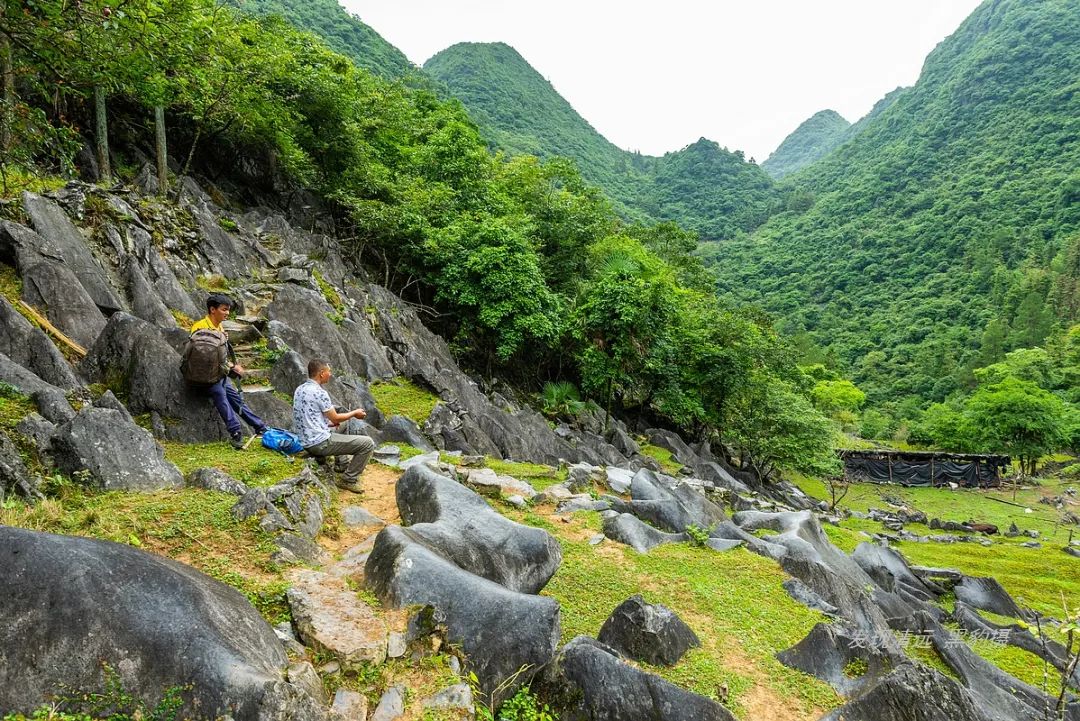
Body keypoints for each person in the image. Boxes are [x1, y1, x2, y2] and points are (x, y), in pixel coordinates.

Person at [190, 293, 267, 449]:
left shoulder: (218, 326)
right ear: (213, 309)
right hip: (204, 377)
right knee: (220, 393)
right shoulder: (200, 328)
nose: (227, 313)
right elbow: (203, 357)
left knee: (235, 398)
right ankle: (235, 432)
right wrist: (232, 366)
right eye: (224, 310)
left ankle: (260, 427)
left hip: (216, 374)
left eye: (228, 310)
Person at [293, 358, 375, 492]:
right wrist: (354, 413)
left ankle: (341, 464)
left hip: (305, 440)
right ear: (321, 373)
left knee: (342, 424)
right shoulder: (320, 393)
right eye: (328, 371)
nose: (330, 374)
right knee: (368, 444)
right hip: (319, 443)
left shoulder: (300, 389)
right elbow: (335, 417)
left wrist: (331, 423)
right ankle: (349, 479)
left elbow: (311, 415)